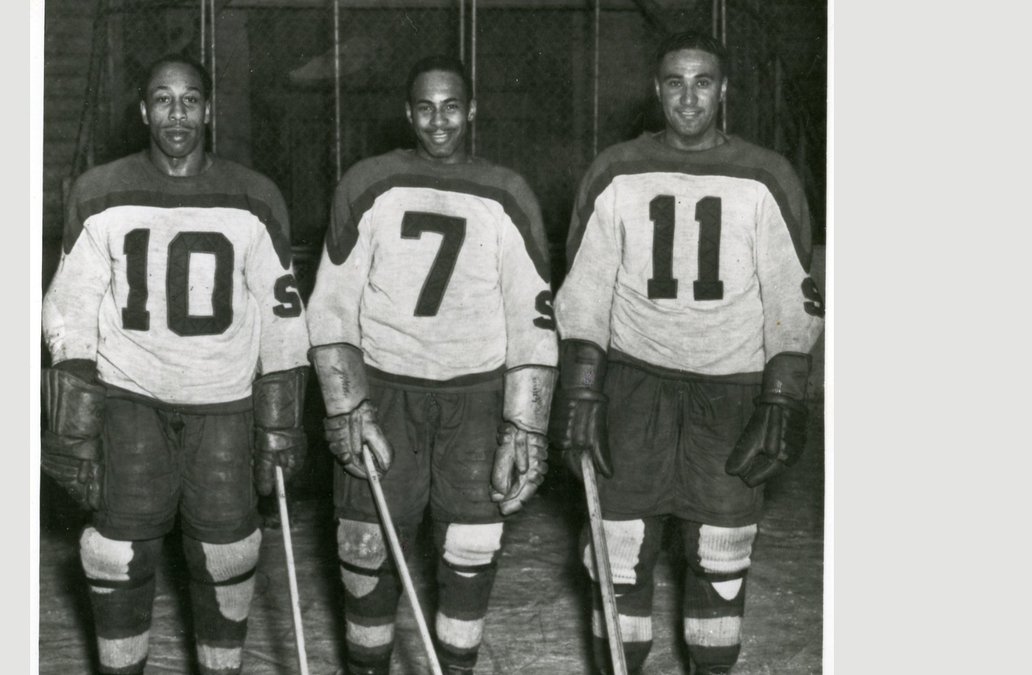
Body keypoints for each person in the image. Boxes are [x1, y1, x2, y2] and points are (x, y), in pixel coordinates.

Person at [550, 31, 825, 675]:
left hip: (730, 388)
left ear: (723, 89)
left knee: (721, 555)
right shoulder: (616, 169)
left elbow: (793, 292)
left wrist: (784, 393)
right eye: (675, 82)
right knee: (617, 553)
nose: (688, 96)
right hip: (634, 382)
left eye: (703, 81)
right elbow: (585, 285)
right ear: (656, 89)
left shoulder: (765, 174)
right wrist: (582, 388)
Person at [40, 54, 310, 675]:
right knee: (116, 554)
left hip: (224, 402)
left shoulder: (254, 195)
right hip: (130, 395)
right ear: (143, 111)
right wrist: (75, 420)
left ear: (209, 110)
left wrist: (280, 421)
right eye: (163, 100)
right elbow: (71, 306)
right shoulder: (100, 190)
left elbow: (283, 318)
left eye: (190, 100)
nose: (177, 113)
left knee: (226, 556)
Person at [305, 55, 558, 675]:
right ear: (407, 111)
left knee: (471, 547)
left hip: (475, 394)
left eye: (451, 106)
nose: (438, 120)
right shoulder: (369, 182)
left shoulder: (506, 190)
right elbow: (332, 303)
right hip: (386, 390)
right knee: (366, 546)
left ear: (471, 110)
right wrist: (346, 403)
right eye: (425, 107)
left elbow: (533, 312)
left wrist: (526, 424)